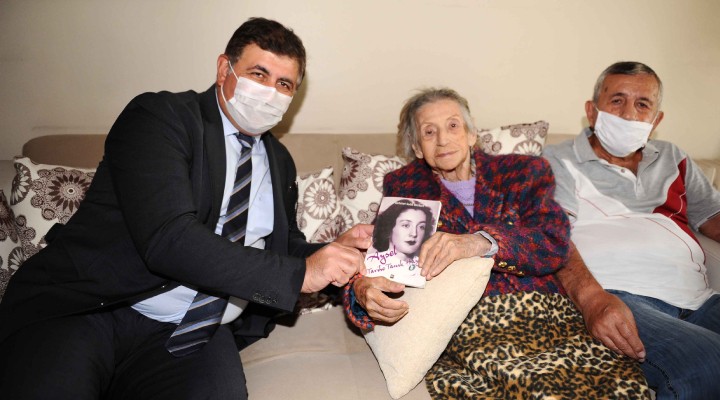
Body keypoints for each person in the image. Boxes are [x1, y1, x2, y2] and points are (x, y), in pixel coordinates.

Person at [0, 17, 371, 399]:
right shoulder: (160, 118)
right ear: (224, 69)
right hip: (95, 307)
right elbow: (168, 238)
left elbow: (283, 245)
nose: (270, 92)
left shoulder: (279, 161)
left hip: (193, 330)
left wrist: (332, 255)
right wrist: (300, 274)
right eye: (259, 74)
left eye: (284, 84)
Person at [344, 87, 650, 398]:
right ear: (417, 148)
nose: (443, 139)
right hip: (472, 327)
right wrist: (363, 289)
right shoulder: (405, 186)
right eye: (429, 132)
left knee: (620, 389)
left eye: (453, 125)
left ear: (471, 134)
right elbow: (381, 264)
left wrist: (481, 242)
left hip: (548, 316)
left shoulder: (522, 172)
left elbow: (554, 242)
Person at [543, 61, 720, 399]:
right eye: (617, 101)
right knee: (710, 362)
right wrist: (592, 299)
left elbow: (714, 218)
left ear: (657, 120)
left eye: (642, 104)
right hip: (618, 296)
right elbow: (552, 235)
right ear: (592, 112)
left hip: (700, 298)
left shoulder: (673, 157)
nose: (628, 114)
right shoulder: (557, 159)